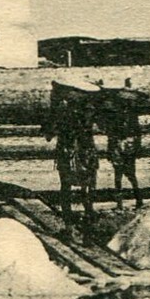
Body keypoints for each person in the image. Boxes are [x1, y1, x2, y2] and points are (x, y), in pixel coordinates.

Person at [47, 82, 101, 227]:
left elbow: (48, 134)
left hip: (67, 152)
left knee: (66, 187)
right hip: (87, 152)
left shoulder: (62, 111)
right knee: (88, 187)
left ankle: (69, 226)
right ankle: (89, 224)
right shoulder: (90, 110)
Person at [98, 87, 146, 210]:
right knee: (124, 175)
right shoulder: (122, 115)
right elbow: (112, 134)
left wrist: (137, 146)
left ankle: (131, 200)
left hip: (124, 145)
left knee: (123, 174)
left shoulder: (126, 116)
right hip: (122, 145)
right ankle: (131, 200)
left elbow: (136, 132)